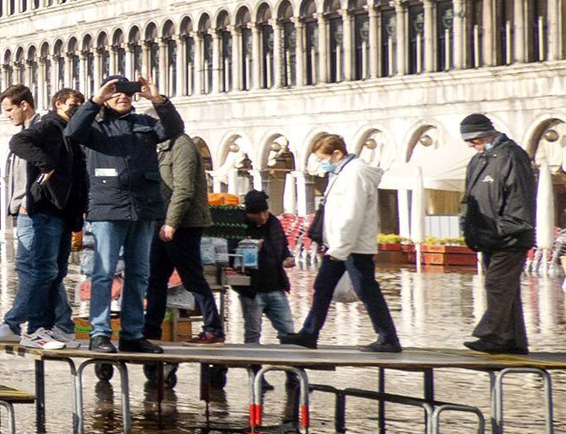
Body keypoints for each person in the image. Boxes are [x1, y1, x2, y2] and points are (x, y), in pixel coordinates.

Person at [64, 77, 164, 355]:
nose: (122, 97)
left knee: (139, 273)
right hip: (108, 207)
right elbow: (71, 133)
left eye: (127, 93)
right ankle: (99, 332)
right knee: (103, 272)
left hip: (143, 206)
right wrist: (94, 100)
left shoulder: (145, 122)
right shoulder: (95, 127)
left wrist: (157, 100)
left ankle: (133, 333)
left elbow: (175, 129)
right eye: (115, 93)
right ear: (106, 97)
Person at [282, 132, 399, 352]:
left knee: (366, 289)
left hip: (351, 246)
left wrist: (340, 248)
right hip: (339, 245)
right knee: (322, 287)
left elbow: (351, 212)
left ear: (337, 153)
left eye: (323, 158)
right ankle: (309, 334)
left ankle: (389, 338)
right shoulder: (342, 172)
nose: (322, 164)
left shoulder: (355, 174)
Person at [0, 86, 82, 345]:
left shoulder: (45, 127)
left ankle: (26, 325)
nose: (7, 115)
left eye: (9, 109)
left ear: (24, 105)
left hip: (35, 209)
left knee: (40, 269)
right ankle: (50, 325)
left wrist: (28, 199)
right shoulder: (43, 129)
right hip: (34, 209)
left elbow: (37, 171)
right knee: (42, 270)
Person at [147, 93, 223, 346]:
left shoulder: (182, 146)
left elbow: (184, 189)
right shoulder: (162, 148)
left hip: (183, 224)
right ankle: (151, 330)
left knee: (192, 277)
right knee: (156, 278)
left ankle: (213, 329)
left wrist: (171, 223)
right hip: (163, 222)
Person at [458, 114, 536, 354]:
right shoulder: (478, 160)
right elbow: (469, 196)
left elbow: (519, 198)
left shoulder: (511, 155)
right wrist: (468, 227)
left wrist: (504, 228)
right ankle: (513, 341)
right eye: (468, 141)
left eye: (474, 139)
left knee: (497, 285)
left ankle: (491, 334)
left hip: (510, 237)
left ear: (487, 133)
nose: (472, 144)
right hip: (487, 236)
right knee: (506, 290)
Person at [232, 189, 294, 344]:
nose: (262, 217)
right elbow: (231, 258)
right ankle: (253, 367)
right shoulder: (237, 225)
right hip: (252, 290)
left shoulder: (274, 223)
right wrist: (249, 250)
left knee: (288, 332)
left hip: (276, 287)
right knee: (253, 333)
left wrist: (287, 258)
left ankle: (292, 366)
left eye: (264, 212)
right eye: (257, 214)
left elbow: (283, 247)